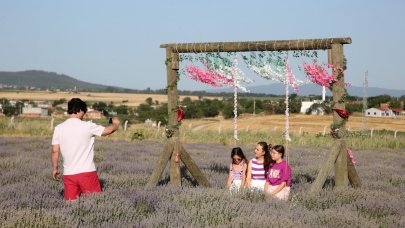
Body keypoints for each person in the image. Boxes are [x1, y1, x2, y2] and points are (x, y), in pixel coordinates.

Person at [51, 98, 120, 201]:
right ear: (80, 110)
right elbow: (107, 131)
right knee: (95, 203)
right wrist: (116, 124)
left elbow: (55, 150)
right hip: (87, 173)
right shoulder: (88, 126)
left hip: (69, 174)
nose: (84, 114)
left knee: (71, 206)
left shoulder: (59, 128)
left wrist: (55, 168)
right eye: (84, 111)